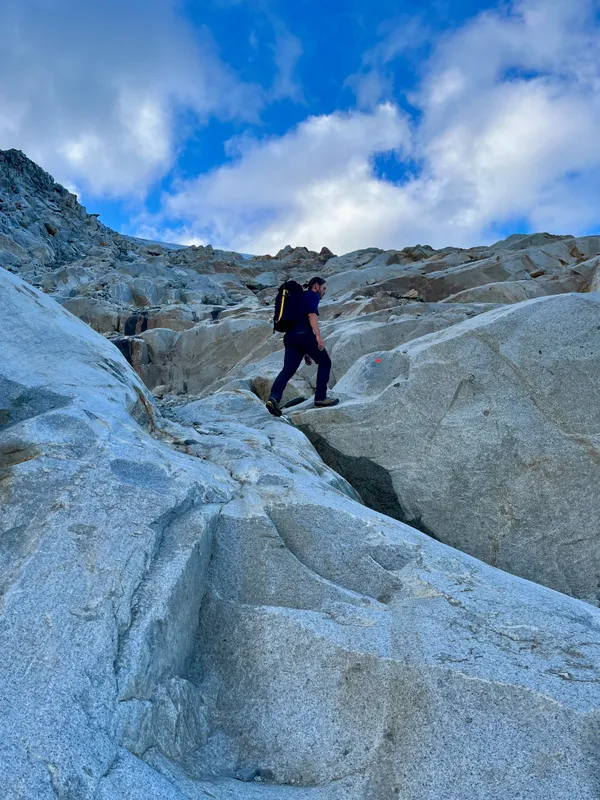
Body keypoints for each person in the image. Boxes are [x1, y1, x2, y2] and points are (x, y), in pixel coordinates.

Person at [266, 276, 339, 416]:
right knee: (325, 362)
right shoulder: (312, 295)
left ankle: (273, 398)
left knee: (287, 370)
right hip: (304, 335)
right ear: (316, 286)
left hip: (290, 337)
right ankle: (321, 398)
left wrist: (305, 352)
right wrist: (318, 335)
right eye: (324, 288)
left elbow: (298, 319)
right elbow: (311, 314)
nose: (324, 292)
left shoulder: (299, 298)